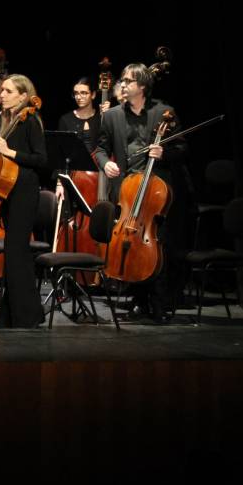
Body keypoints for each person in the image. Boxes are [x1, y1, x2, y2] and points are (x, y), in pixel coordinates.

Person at [93, 63, 188, 321]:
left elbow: (181, 149)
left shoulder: (163, 112)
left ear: (143, 87)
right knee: (130, 244)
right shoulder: (112, 115)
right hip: (125, 188)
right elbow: (99, 148)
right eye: (122, 81)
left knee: (158, 245)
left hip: (156, 191)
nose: (122, 85)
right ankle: (138, 300)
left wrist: (164, 153)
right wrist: (106, 163)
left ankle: (161, 303)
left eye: (128, 81)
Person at [0, 74, 47, 329]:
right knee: (13, 255)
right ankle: (12, 315)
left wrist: (8, 151)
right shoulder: (8, 120)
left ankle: (28, 316)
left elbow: (41, 159)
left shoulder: (30, 119)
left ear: (23, 96)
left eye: (9, 91)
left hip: (25, 192)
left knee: (17, 254)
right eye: (3, 90)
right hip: (9, 191)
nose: (2, 94)